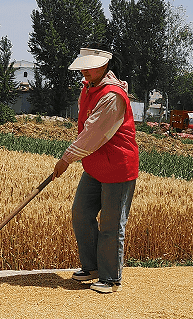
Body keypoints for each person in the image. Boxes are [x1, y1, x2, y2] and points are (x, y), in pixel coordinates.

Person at [53, 48, 139, 294]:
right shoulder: (89, 88)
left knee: (112, 223)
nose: (84, 70)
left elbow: (93, 133)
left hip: (118, 166)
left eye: (89, 66)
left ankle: (111, 278)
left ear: (104, 66)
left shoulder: (113, 96)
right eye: (83, 66)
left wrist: (67, 158)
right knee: (81, 212)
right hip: (95, 164)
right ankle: (92, 267)